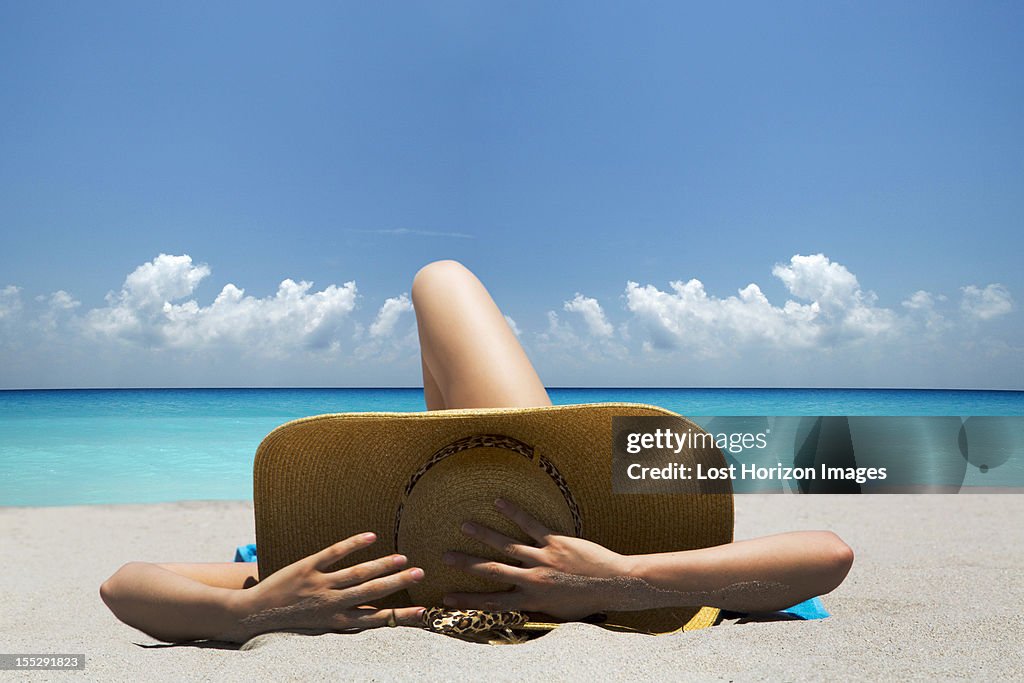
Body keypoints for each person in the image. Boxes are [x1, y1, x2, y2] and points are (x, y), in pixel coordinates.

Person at [100, 260, 854, 643]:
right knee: (442, 281)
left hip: (531, 500)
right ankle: (466, 446)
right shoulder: (620, 552)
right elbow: (824, 554)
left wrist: (248, 610)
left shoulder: (363, 567)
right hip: (573, 507)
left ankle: (459, 448)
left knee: (441, 279)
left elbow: (129, 584)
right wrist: (620, 579)